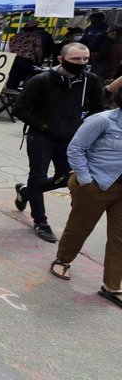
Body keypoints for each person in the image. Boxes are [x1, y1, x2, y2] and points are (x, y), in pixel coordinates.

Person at [13, 42, 105, 243]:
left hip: (72, 139)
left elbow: (99, 109)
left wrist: (85, 127)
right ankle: (41, 222)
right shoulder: (41, 80)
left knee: (66, 178)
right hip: (41, 138)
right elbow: (19, 109)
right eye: (75, 60)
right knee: (37, 177)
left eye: (85, 59)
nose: (81, 63)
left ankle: (26, 192)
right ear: (61, 59)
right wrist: (44, 126)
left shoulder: (91, 81)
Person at [51, 88, 122, 306]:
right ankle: (63, 259)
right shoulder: (102, 120)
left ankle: (112, 285)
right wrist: (85, 180)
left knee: (120, 237)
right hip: (97, 183)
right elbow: (75, 149)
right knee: (80, 226)